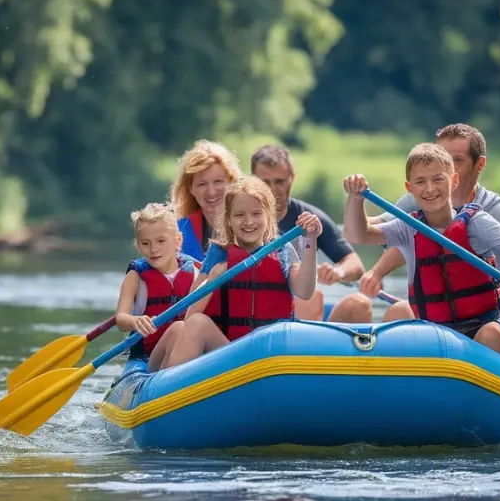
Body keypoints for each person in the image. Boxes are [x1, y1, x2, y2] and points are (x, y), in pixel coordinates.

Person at [358, 123, 500, 333]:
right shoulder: (417, 200)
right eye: (442, 157)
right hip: (435, 318)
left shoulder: (495, 210)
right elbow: (382, 231)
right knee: (398, 311)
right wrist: (376, 272)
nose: (444, 166)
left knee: (489, 332)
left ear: (479, 165)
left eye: (457, 160)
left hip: (485, 321)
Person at [342, 143, 500, 357]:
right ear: (409, 188)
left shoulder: (477, 223)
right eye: (420, 182)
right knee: (398, 312)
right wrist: (356, 198)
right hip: (433, 332)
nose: (430, 189)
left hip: (479, 328)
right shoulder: (408, 227)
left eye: (438, 179)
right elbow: (357, 235)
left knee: (492, 333)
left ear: (454, 181)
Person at [159, 177, 323, 370]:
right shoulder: (219, 254)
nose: (248, 222)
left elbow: (305, 292)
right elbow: (190, 316)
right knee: (186, 326)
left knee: (191, 325)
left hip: (270, 353)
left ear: (268, 216)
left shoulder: (283, 251)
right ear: (228, 219)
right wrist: (213, 278)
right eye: (239, 215)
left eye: (256, 214)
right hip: (229, 352)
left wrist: (310, 241)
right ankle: (162, 391)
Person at [250, 144, 371, 322]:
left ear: (292, 178)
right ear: (252, 180)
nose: (272, 190)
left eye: (280, 182)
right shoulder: (238, 220)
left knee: (359, 304)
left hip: (299, 304)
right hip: (254, 306)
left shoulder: (309, 219)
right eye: (265, 182)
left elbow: (355, 264)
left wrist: (338, 272)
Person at [114, 202, 202, 371]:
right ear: (138, 246)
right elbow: (121, 320)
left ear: (178, 241)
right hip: (147, 357)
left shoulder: (196, 273)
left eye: (161, 241)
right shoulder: (135, 277)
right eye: (146, 243)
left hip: (186, 351)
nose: (154, 249)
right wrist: (135, 321)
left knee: (180, 330)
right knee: (178, 329)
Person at [170, 139, 244, 261]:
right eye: (202, 184)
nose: (211, 191)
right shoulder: (175, 233)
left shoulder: (252, 225)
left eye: (218, 181)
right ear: (191, 189)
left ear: (233, 182)